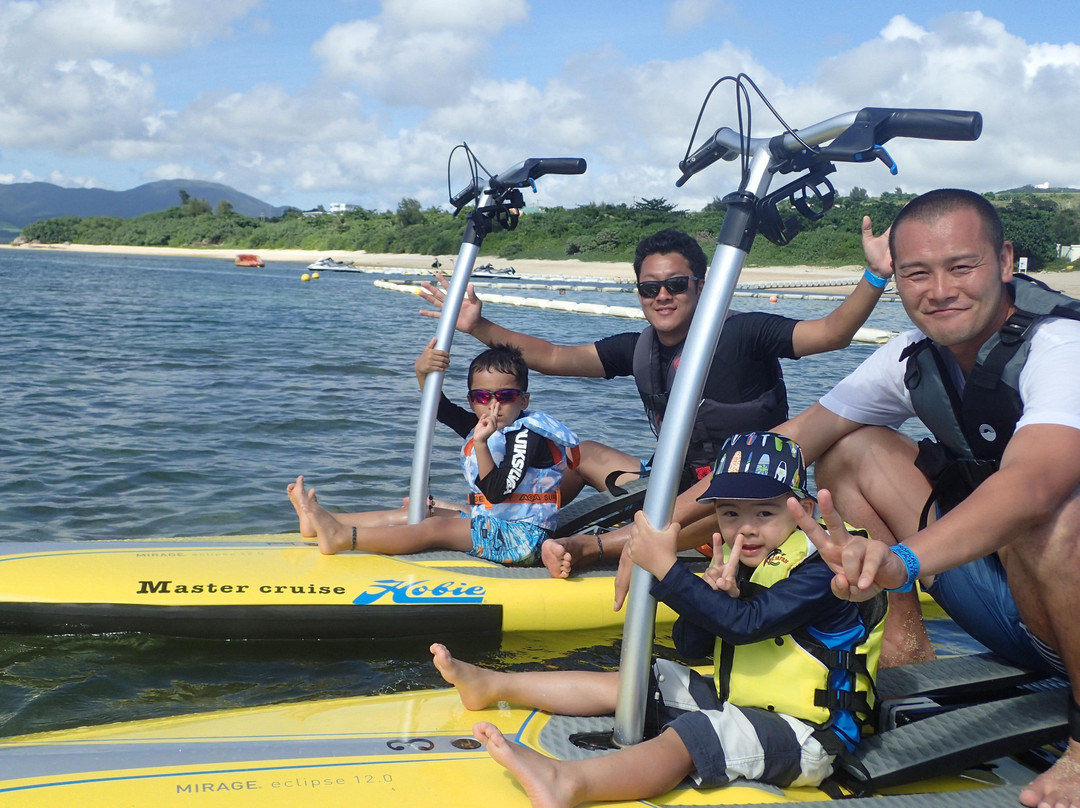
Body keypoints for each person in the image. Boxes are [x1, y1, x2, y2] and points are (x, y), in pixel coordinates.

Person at [631, 189, 1080, 808]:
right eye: (918, 272)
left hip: (1058, 570)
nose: (940, 289)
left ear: (1005, 260)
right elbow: (788, 447)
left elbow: (1033, 484)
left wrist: (906, 562)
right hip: (1020, 607)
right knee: (847, 451)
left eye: (961, 266)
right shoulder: (910, 355)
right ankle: (902, 642)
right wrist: (651, 530)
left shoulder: (1061, 347)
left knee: (1054, 514)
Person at [430, 431, 886, 807]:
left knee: (698, 732)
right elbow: (692, 647)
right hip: (743, 704)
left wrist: (669, 571)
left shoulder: (827, 568)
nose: (745, 528)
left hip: (811, 737)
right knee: (641, 678)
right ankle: (493, 684)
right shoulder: (749, 560)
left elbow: (749, 624)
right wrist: (709, 595)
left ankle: (569, 783)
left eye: (764, 513)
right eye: (729, 513)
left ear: (802, 511)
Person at [419, 226, 890, 577]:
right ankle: (520, 520)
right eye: (649, 287)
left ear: (701, 287)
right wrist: (478, 326)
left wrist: (874, 274)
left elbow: (832, 332)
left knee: (701, 512)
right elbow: (556, 356)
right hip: (672, 480)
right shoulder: (639, 348)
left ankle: (589, 547)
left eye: (676, 285)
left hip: (741, 497)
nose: (662, 296)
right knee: (586, 453)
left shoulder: (745, 334)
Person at [290, 341, 580, 565]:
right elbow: (440, 408)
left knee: (435, 527)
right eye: (482, 397)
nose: (493, 406)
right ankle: (322, 522)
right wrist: (422, 372)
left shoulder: (527, 435)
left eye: (505, 396)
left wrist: (480, 444)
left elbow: (496, 493)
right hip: (495, 523)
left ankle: (343, 538)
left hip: (523, 540)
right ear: (471, 400)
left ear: (523, 399)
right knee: (418, 510)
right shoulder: (485, 425)